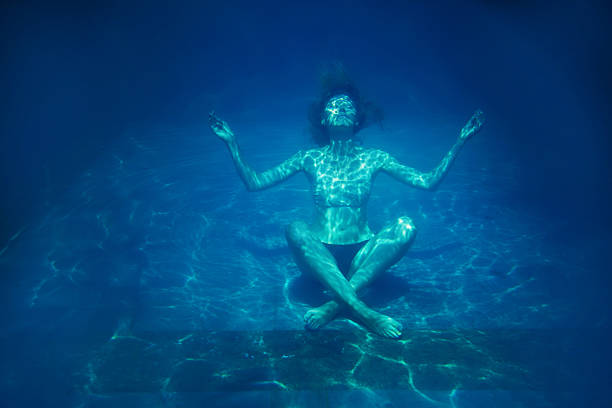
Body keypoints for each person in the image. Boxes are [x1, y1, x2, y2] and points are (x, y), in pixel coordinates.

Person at [209, 79, 483, 339]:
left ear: (357, 120)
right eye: (334, 106)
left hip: (361, 255)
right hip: (320, 254)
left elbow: (428, 181)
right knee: (295, 228)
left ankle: (332, 308)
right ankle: (365, 313)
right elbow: (255, 183)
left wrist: (460, 141)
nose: (341, 109)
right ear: (323, 119)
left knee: (406, 226)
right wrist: (231, 143)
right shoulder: (309, 157)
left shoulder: (375, 157)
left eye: (348, 107)